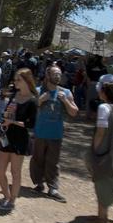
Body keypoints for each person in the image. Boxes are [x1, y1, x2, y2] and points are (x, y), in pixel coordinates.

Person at [83, 80, 113, 223]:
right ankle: (102, 214)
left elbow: (101, 131)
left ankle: (102, 218)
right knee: (108, 179)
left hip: (105, 147)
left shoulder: (104, 108)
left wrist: (94, 150)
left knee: (102, 180)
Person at [30, 66, 78, 203]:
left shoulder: (66, 92)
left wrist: (66, 101)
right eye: (55, 73)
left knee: (53, 162)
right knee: (37, 159)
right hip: (40, 132)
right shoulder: (39, 91)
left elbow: (74, 112)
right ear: (47, 75)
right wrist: (40, 100)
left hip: (56, 133)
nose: (57, 76)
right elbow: (30, 109)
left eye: (59, 74)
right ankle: (39, 184)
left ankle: (53, 188)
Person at [0, 68, 37, 212]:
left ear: (26, 81)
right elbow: (8, 113)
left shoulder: (32, 101)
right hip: (7, 136)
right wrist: (5, 120)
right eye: (15, 79)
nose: (15, 82)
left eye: (19, 79)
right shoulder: (13, 95)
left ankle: (12, 201)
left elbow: (31, 124)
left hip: (20, 139)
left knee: (15, 172)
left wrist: (13, 122)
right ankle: (7, 196)